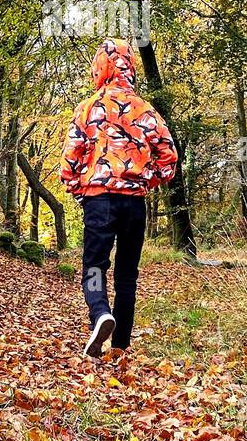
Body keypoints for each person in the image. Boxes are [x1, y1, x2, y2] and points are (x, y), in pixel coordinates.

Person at [60, 38, 178, 357]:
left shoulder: (88, 109)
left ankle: (100, 313)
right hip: (134, 203)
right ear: (131, 67)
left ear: (101, 67)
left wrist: (78, 190)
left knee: (95, 267)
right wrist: (147, 181)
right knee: (127, 274)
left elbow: (70, 160)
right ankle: (121, 347)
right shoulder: (145, 111)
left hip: (99, 200)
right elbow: (169, 156)